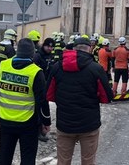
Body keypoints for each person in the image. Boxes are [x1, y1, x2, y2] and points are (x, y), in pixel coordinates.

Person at [46, 35, 114, 165]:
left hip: (65, 124)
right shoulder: (96, 68)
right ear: (89, 49)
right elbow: (107, 97)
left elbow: (49, 94)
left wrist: (64, 100)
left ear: (74, 48)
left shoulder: (57, 67)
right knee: (88, 161)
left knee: (63, 161)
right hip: (89, 124)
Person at [0, 38, 51, 165]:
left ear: (17, 51)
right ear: (33, 53)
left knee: (4, 156)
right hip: (28, 123)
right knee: (28, 158)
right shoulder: (36, 72)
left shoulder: (4, 66)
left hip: (6, 121)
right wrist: (46, 122)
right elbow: (42, 101)